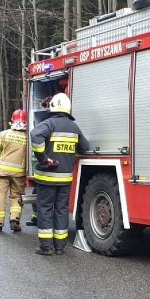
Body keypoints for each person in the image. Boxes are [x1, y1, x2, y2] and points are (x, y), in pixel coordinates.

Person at [29, 93, 89, 255]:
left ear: (53, 107)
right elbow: (85, 147)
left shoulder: (49, 123)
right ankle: (60, 247)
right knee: (62, 210)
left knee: (45, 210)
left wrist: (43, 158)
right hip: (65, 179)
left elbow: (35, 135)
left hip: (46, 179)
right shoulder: (74, 127)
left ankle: (46, 247)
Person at [0, 109, 28, 233]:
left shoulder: (4, 134)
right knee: (17, 197)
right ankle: (15, 219)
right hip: (19, 173)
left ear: (12, 121)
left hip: (2, 172)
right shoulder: (28, 137)